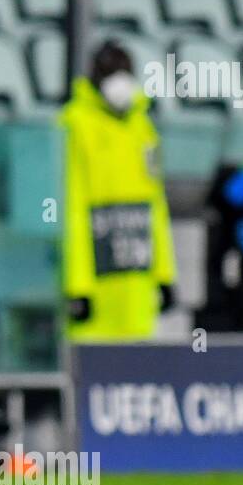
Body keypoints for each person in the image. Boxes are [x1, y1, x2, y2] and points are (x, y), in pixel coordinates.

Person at [60, 41, 177, 341]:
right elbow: (69, 208)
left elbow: (156, 207)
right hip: (96, 295)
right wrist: (77, 286)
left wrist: (164, 276)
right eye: (112, 72)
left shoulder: (143, 128)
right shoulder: (74, 125)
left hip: (137, 291)